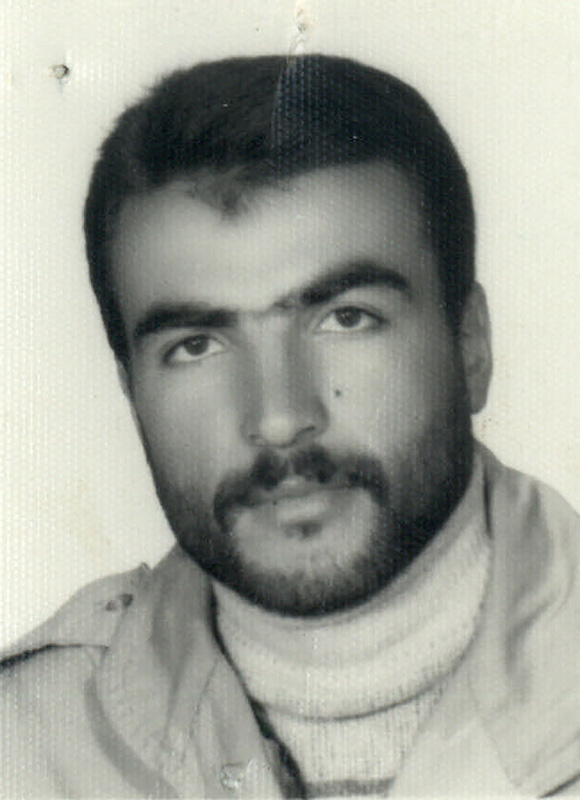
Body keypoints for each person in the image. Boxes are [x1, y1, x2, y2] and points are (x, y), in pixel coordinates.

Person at [1, 53, 579, 798]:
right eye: (196, 346)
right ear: (130, 387)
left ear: (470, 343)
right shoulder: (23, 746)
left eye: (346, 318)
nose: (278, 420)